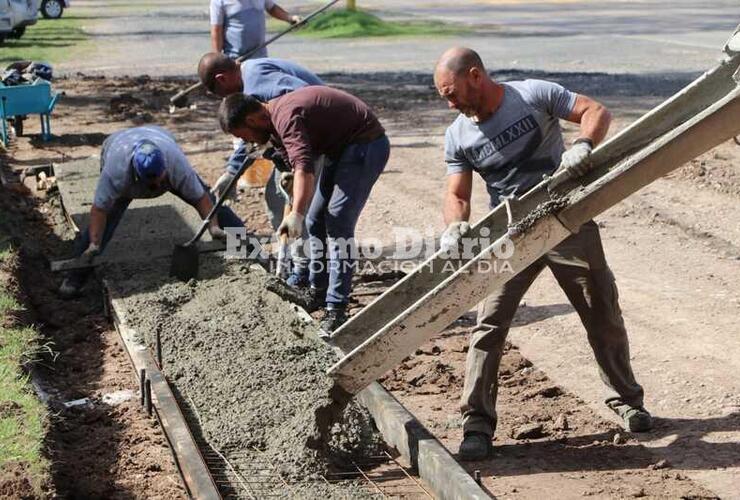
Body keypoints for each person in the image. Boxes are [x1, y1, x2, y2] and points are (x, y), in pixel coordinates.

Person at [434, 47, 652, 461]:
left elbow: (594, 110)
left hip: (566, 221)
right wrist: (454, 226)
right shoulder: (457, 134)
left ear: (475, 76)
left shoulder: (533, 95)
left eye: (452, 93)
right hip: (511, 235)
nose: (450, 103)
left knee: (601, 312)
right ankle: (476, 426)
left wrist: (584, 143)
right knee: (489, 326)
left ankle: (627, 403)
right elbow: (456, 193)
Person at [217, 87, 389, 332]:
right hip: (338, 151)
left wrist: (295, 213)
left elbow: (304, 168)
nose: (247, 141)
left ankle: (336, 308)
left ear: (252, 120)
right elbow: (292, 162)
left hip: (365, 145)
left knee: (337, 220)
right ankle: (317, 292)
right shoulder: (271, 124)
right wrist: (274, 157)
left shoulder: (285, 116)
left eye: (244, 136)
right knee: (315, 220)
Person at [58, 126, 243, 298]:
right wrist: (94, 244)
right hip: (116, 143)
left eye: (159, 182)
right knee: (104, 225)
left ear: (165, 169)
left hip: (159, 136)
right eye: (150, 185)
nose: (156, 188)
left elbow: (200, 199)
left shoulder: (176, 165)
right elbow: (99, 210)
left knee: (212, 204)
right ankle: (74, 278)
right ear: (136, 174)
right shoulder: (116, 173)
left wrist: (214, 227)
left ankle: (246, 248)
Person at [198, 52, 324, 287]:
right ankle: (295, 263)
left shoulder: (257, 81)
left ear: (222, 79)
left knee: (299, 208)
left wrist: (292, 164)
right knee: (276, 200)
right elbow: (251, 136)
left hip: (316, 140)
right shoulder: (249, 77)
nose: (224, 98)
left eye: (218, 93)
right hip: (296, 147)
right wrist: (232, 171)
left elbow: (301, 100)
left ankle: (306, 269)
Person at [209, 0, 300, 60]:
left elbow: (272, 8)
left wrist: (290, 18)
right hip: (236, 60)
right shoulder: (219, 1)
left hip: (260, 56)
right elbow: (216, 30)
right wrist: (218, 60)